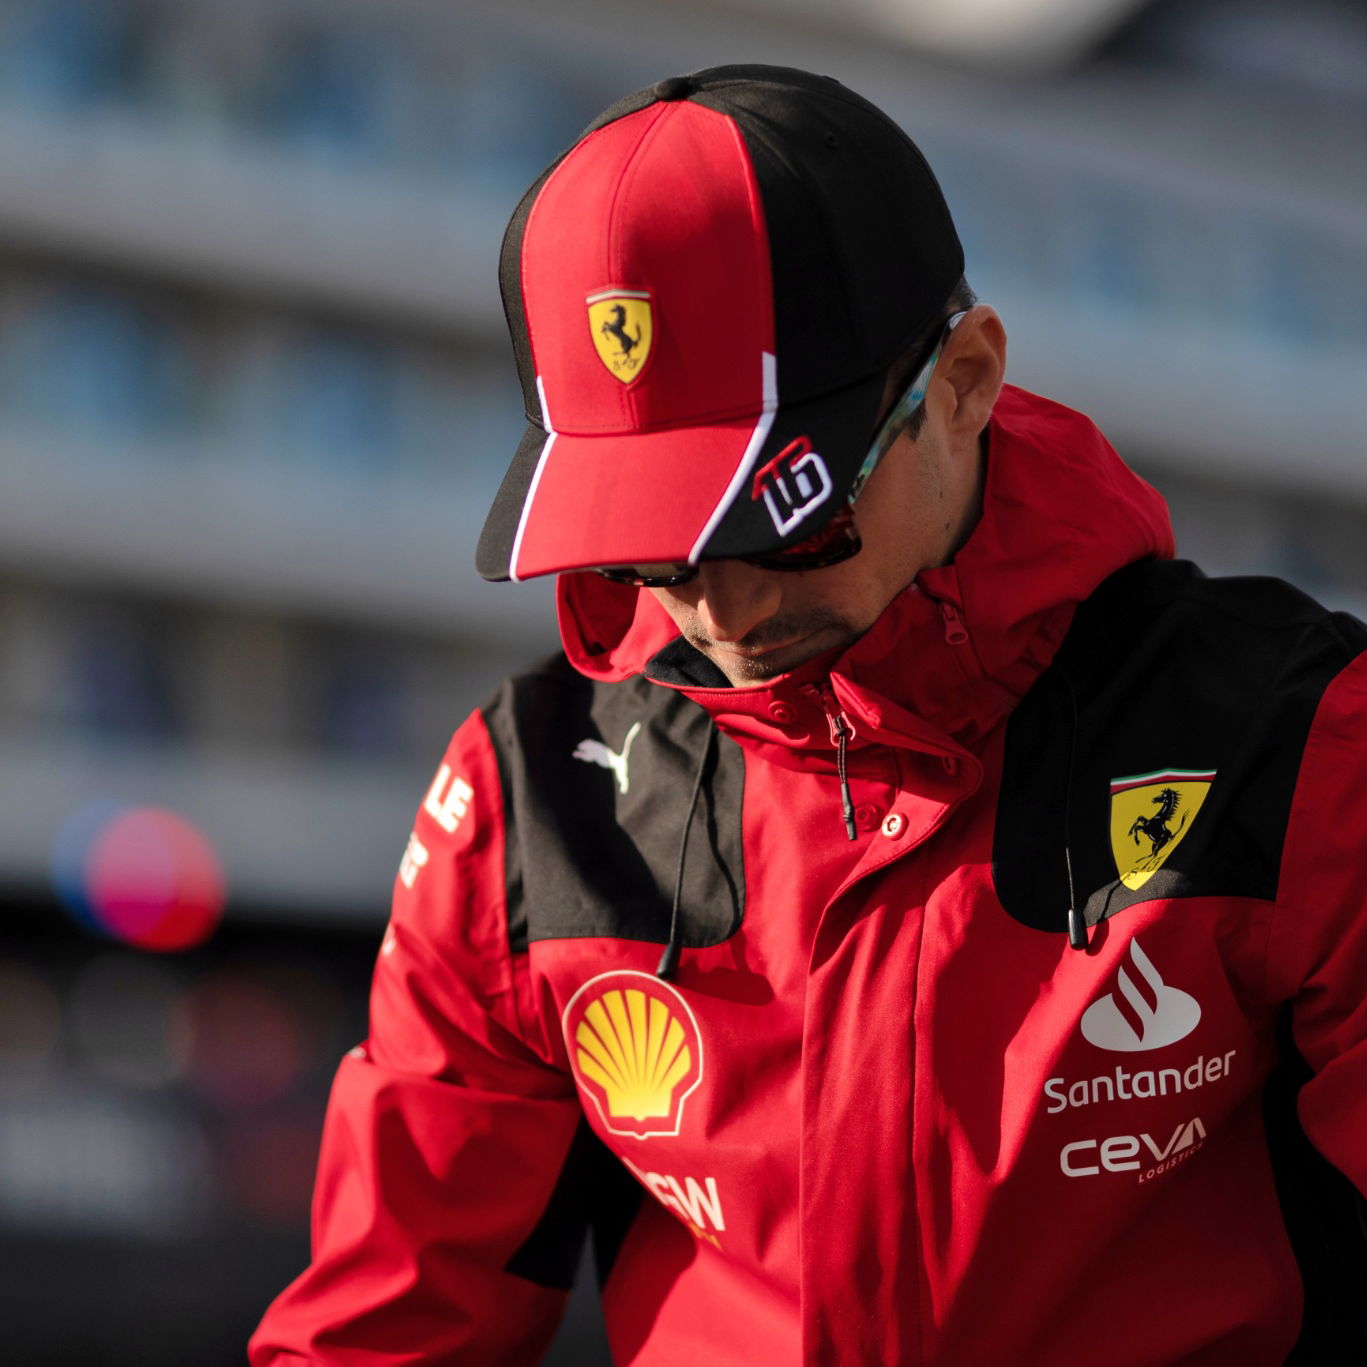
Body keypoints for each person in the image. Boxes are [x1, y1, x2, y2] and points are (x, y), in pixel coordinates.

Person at [250, 64, 1367, 1366]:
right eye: (653, 548)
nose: (720, 609)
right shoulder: (524, 802)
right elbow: (384, 1327)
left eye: (785, 525)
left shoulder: (1302, 743)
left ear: (964, 379)